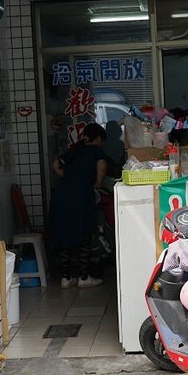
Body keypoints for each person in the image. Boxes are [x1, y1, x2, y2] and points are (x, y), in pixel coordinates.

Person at [47, 122, 108, 288]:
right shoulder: (96, 151)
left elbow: (55, 166)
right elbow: (101, 168)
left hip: (61, 195)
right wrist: (98, 184)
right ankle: (83, 277)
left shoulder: (74, 150)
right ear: (98, 139)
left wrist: (68, 178)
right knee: (84, 234)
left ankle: (65, 278)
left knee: (64, 233)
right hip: (81, 196)